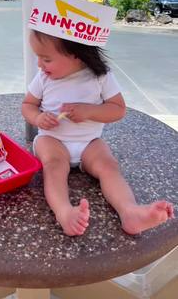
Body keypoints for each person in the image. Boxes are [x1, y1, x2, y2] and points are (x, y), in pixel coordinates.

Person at [22, 29, 174, 236]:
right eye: (38, 57)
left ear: (76, 53)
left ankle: (129, 212)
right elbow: (28, 104)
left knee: (109, 166)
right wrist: (38, 118)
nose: (39, 64)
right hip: (52, 139)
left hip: (89, 142)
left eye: (46, 59)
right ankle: (64, 212)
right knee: (54, 167)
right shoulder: (43, 78)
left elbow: (118, 109)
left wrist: (89, 111)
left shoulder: (100, 76)